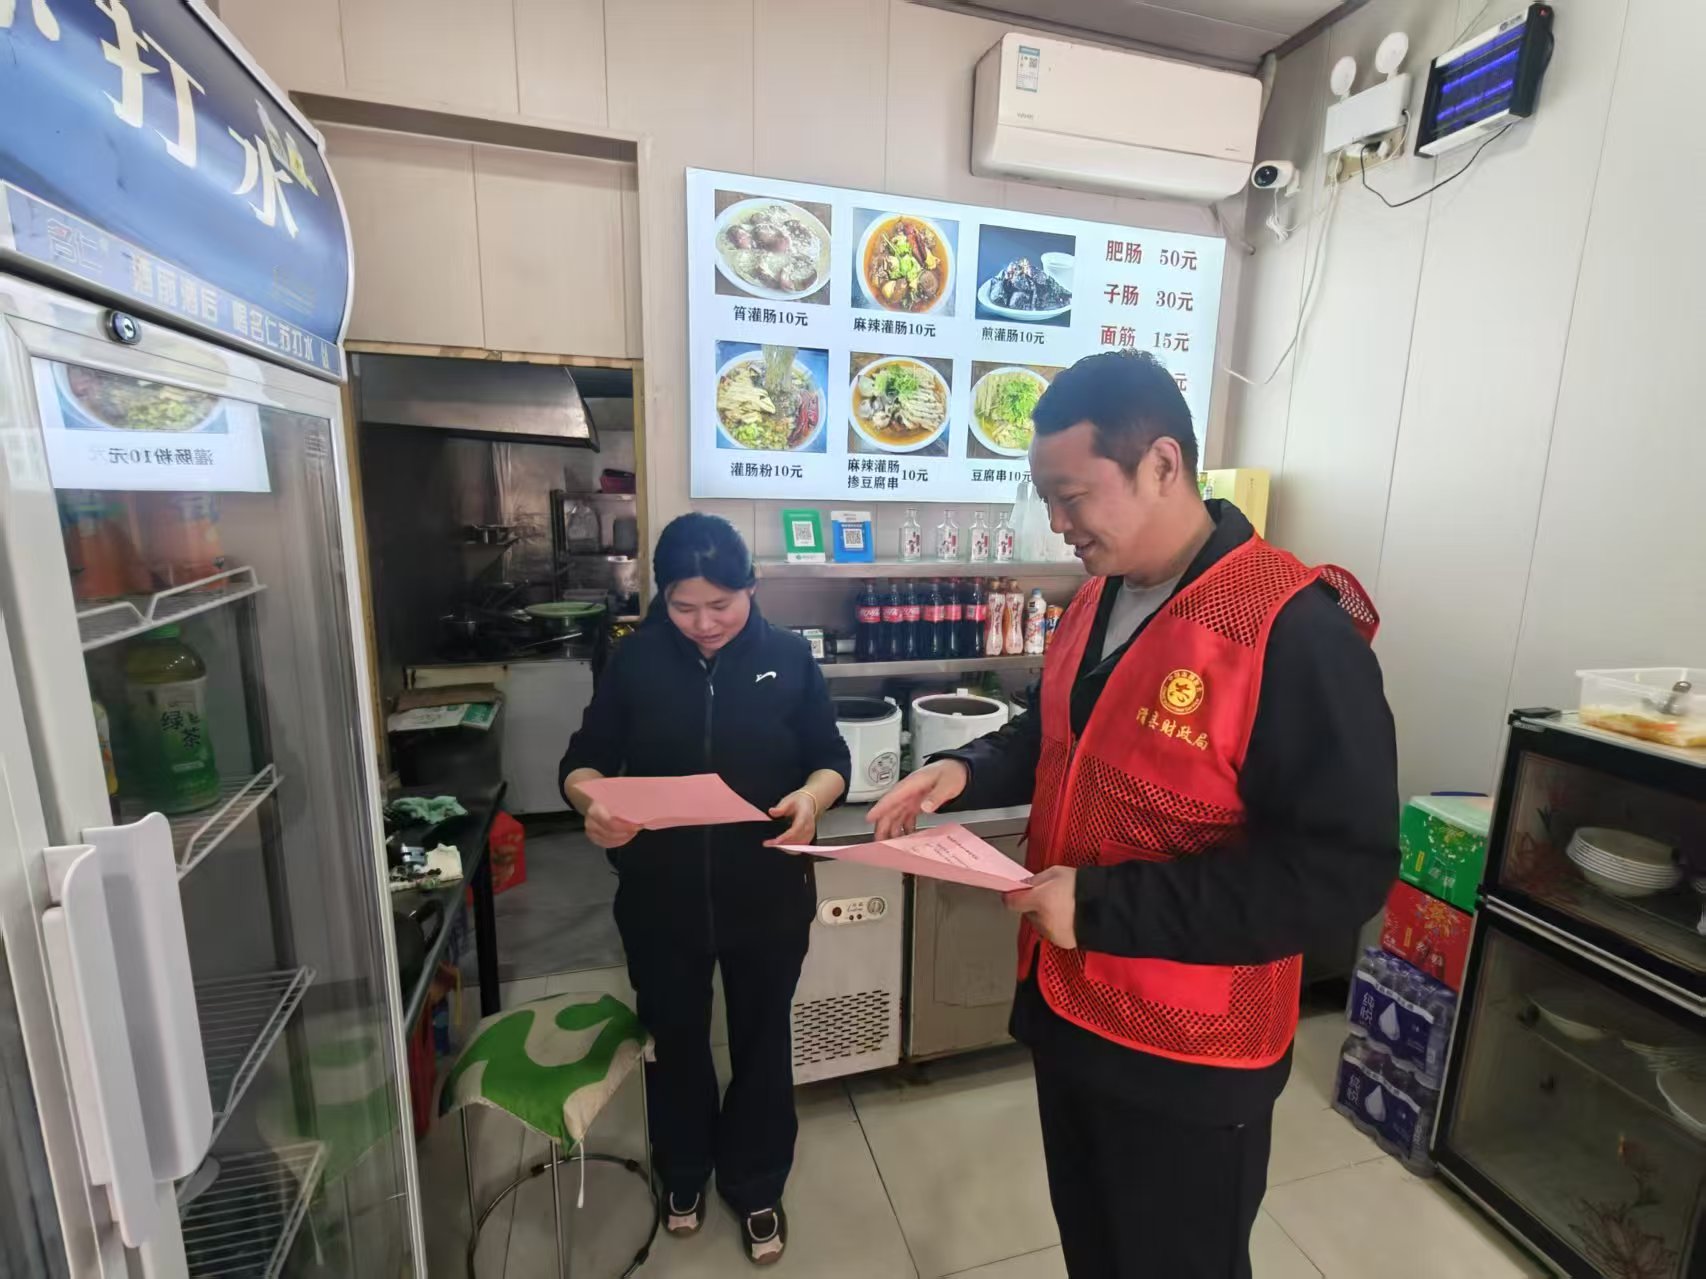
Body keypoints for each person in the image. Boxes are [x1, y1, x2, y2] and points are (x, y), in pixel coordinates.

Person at [869, 351, 1398, 1278]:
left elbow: (1339, 874)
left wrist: (1103, 907)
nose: (1057, 522)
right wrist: (964, 767)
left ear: (1161, 463)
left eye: (1072, 496)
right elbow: (1062, 725)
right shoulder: (1098, 596)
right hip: (1072, 1015)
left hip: (1190, 1059)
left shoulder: (1292, 629)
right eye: (1046, 498)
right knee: (1097, 1251)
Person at [560, 512, 849, 1266]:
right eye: (684, 606)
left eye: (722, 604)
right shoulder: (635, 659)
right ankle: (683, 1171)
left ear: (751, 586)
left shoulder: (788, 656)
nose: (705, 622)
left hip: (768, 892)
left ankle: (756, 1181)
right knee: (674, 1041)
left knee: (762, 1041)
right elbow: (586, 758)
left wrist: (812, 798)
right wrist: (592, 803)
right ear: (662, 596)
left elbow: (830, 757)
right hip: (661, 898)